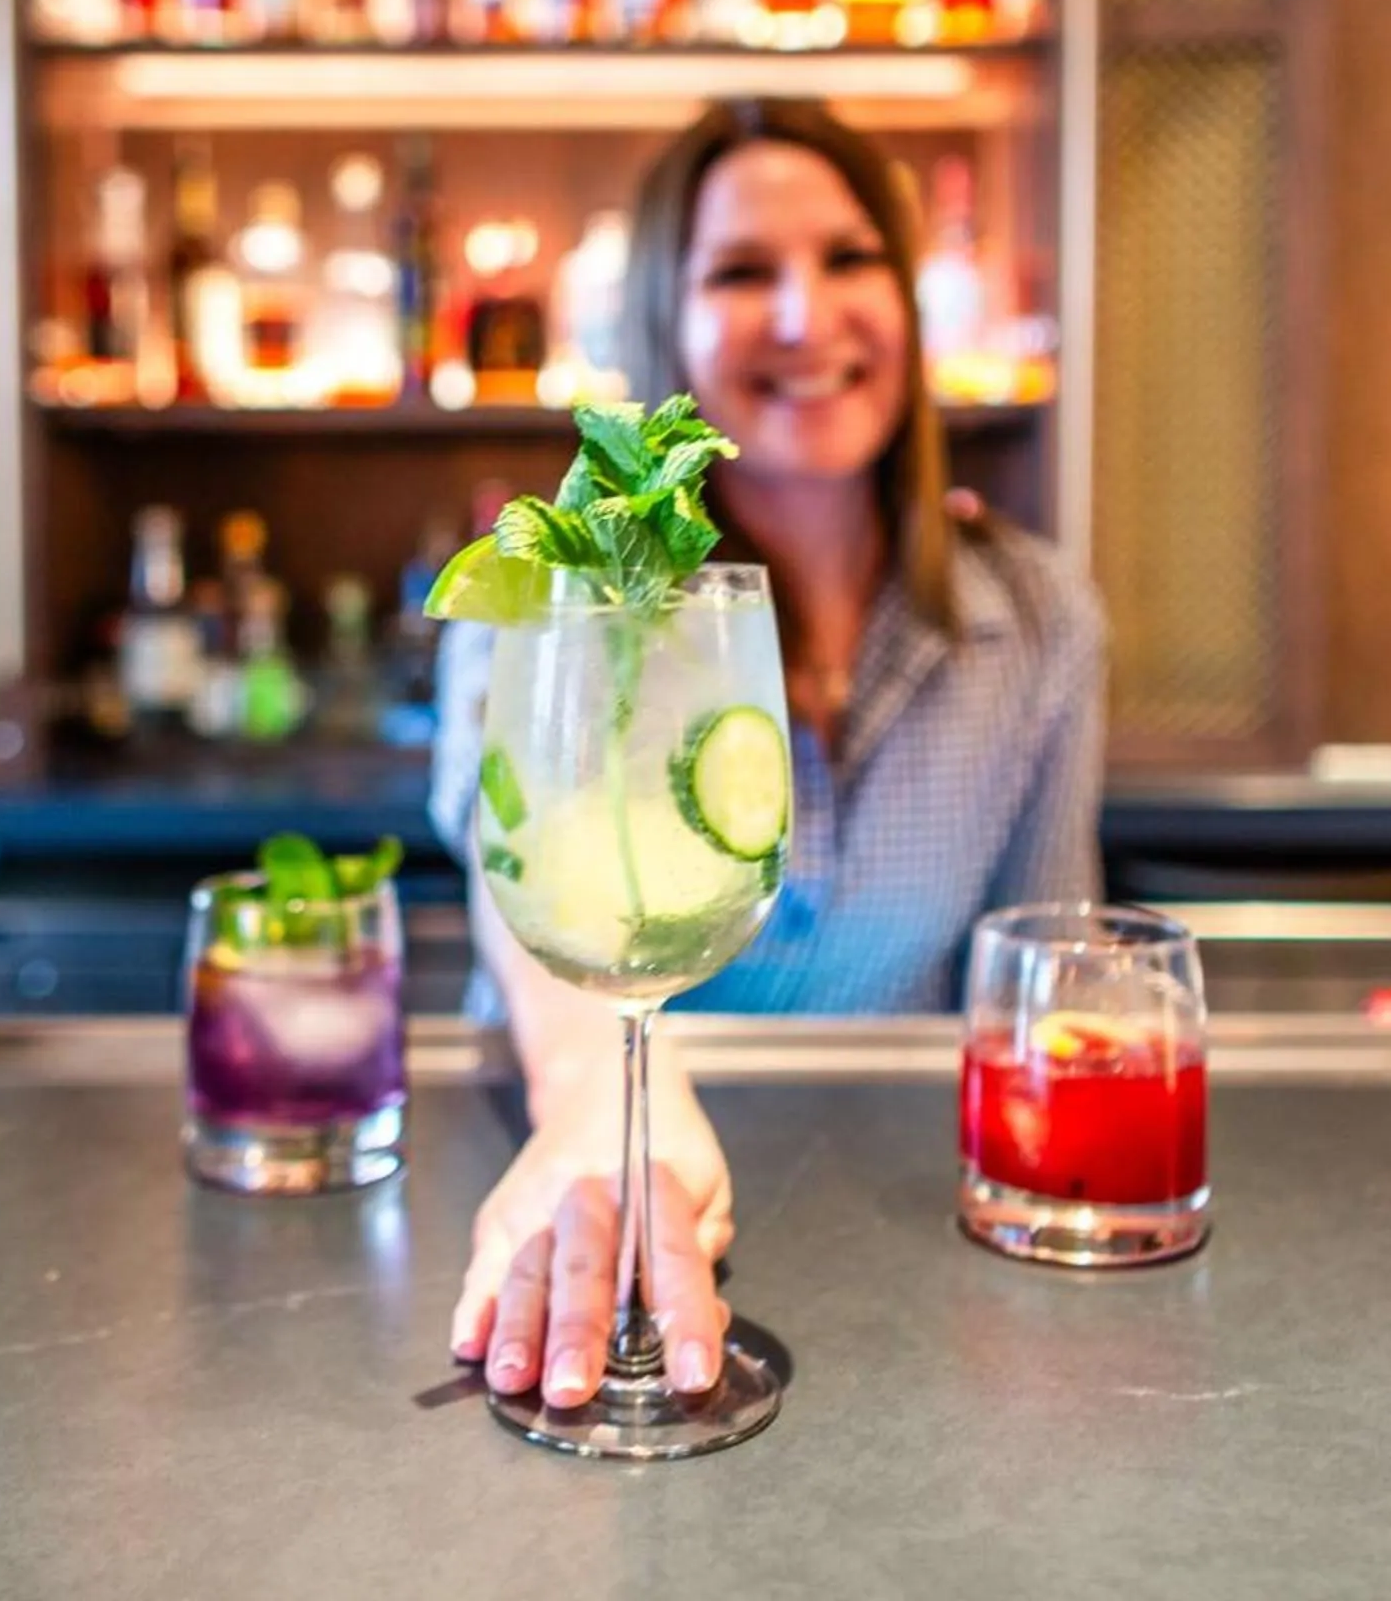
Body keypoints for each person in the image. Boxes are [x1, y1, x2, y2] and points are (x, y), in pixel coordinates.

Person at [427, 97, 1107, 1410]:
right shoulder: (556, 603)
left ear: (909, 299)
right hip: (563, 1206)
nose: (806, 317)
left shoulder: (1038, 623)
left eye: (851, 260)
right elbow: (524, 898)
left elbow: (1039, 975)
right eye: (742, 272)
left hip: (901, 1244)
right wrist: (598, 1114)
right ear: (662, 330)